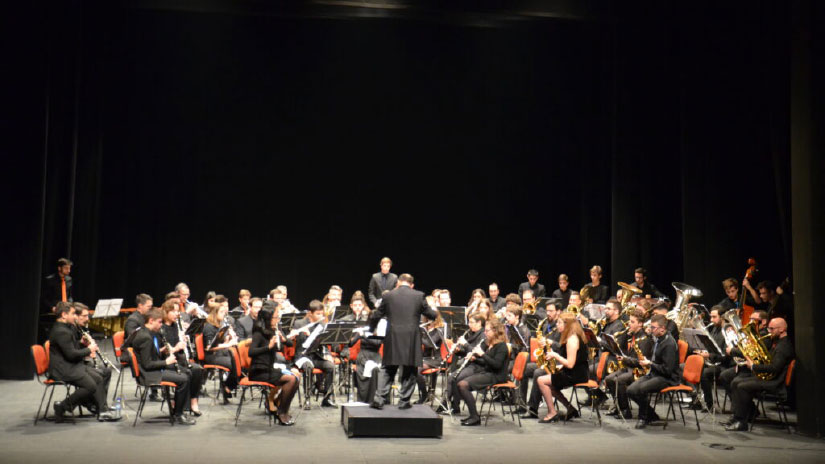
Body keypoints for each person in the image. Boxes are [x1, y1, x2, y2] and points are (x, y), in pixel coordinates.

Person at [369, 273, 438, 410]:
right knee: (410, 368)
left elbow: (376, 314)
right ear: (412, 285)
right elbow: (431, 315)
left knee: (388, 368)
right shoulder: (419, 296)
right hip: (411, 338)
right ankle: (403, 401)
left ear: (398, 283)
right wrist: (434, 311)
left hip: (393, 336)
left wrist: (371, 329)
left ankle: (379, 399)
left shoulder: (388, 296)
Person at [49, 302, 118, 422]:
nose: (75, 316)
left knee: (99, 377)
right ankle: (63, 405)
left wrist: (81, 343)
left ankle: (102, 410)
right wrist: (88, 350)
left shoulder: (66, 328)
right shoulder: (61, 332)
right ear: (64, 315)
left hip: (70, 365)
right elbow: (71, 354)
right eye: (73, 314)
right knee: (91, 385)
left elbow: (71, 348)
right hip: (63, 368)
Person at [724, 317, 794, 431]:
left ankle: (741, 422)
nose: (769, 331)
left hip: (775, 382)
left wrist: (753, 366)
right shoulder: (777, 343)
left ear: (781, 329)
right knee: (736, 382)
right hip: (769, 378)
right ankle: (737, 417)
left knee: (742, 386)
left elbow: (774, 368)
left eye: (771, 329)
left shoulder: (784, 347)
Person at [131, 308, 196, 425]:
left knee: (187, 372)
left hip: (154, 369)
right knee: (184, 379)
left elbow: (151, 355)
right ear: (151, 321)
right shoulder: (145, 337)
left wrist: (162, 350)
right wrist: (167, 362)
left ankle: (179, 408)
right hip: (149, 374)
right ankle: (178, 414)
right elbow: (147, 364)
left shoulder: (150, 333)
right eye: (160, 322)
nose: (161, 325)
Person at [533, 312, 590, 423]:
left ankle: (552, 413)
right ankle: (570, 409)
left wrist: (555, 355)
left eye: (559, 323)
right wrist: (560, 366)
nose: (557, 325)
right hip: (576, 371)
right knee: (551, 385)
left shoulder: (572, 340)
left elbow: (570, 364)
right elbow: (574, 360)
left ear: (567, 324)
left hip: (576, 374)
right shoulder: (572, 336)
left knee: (541, 380)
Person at [452, 318, 510, 426]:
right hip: (488, 372)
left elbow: (497, 365)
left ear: (495, 331)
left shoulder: (501, 346)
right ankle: (473, 415)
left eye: (487, 331)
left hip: (497, 376)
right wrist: (475, 359)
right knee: (460, 382)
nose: (485, 332)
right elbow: (486, 362)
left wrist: (481, 354)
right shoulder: (491, 344)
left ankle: (474, 417)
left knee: (463, 385)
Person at [248, 307, 300, 425]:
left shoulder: (275, 329)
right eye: (275, 317)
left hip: (269, 368)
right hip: (259, 370)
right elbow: (251, 352)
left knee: (297, 377)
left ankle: (281, 407)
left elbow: (290, 343)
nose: (278, 319)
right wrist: (269, 347)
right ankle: (281, 413)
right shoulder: (258, 332)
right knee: (291, 379)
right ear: (267, 318)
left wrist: (284, 339)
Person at [627, 314, 680, 428]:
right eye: (651, 327)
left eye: (653, 328)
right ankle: (651, 415)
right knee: (631, 390)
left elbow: (667, 370)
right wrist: (648, 362)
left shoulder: (669, 344)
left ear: (662, 329)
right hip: (655, 373)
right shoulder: (658, 339)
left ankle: (643, 418)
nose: (650, 330)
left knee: (641, 389)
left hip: (667, 378)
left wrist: (650, 364)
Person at [604, 309, 653, 419]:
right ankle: (619, 407)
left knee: (619, 380)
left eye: (632, 322)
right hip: (629, 367)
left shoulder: (644, 339)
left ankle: (626, 411)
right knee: (609, 378)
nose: (629, 324)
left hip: (639, 371)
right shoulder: (632, 335)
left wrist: (624, 359)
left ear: (640, 324)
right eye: (629, 321)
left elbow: (640, 362)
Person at [160, 299, 203, 416]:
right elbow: (162, 351)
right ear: (166, 312)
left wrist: (183, 339)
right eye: (173, 311)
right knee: (187, 373)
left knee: (197, 369)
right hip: (168, 362)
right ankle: (179, 405)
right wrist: (176, 348)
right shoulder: (162, 328)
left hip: (180, 359)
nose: (177, 314)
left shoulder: (175, 325)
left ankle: (193, 402)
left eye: (178, 311)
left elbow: (178, 344)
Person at [441, 314, 487, 415]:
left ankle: (451, 406)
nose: (469, 325)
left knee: (454, 378)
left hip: (478, 366)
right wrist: (458, 351)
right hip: (470, 363)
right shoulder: (472, 333)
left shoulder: (483, 335)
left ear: (479, 323)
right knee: (452, 377)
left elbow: (476, 352)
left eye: (471, 322)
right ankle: (450, 405)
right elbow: (467, 352)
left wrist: (465, 344)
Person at [293, 300, 336, 407]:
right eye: (318, 314)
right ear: (310, 313)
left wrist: (328, 355)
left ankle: (327, 397)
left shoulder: (322, 324)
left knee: (330, 367)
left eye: (322, 313)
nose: (320, 316)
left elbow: (324, 343)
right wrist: (304, 334)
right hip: (302, 356)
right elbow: (298, 343)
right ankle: (307, 398)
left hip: (315, 355)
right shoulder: (299, 323)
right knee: (308, 367)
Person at [73, 302, 114, 414]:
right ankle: (94, 404)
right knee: (98, 375)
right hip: (75, 365)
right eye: (84, 316)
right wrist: (87, 352)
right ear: (75, 316)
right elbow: (71, 351)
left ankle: (100, 403)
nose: (87, 319)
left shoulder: (81, 329)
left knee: (107, 371)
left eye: (88, 315)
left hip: (81, 362)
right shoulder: (72, 330)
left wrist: (87, 348)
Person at [694, 306, 732, 412]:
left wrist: (708, 356)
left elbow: (726, 356)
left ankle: (708, 404)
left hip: (724, 365)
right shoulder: (715, 328)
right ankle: (696, 399)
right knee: (687, 367)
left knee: (704, 374)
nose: (711, 320)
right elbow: (712, 347)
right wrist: (703, 351)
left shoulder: (728, 331)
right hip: (714, 361)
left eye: (714, 317)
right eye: (711, 317)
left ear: (723, 317)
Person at [202, 301, 239, 403]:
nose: (224, 314)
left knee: (241, 361)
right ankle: (228, 387)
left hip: (220, 353)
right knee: (235, 363)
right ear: (215, 313)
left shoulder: (220, 325)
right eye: (222, 312)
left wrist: (229, 338)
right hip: (211, 356)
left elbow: (220, 342)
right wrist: (227, 344)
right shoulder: (209, 327)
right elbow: (209, 347)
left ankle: (228, 386)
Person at [40, 258, 74, 343]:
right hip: (53, 310)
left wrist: (71, 304)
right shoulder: (49, 280)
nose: (69, 270)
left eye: (69, 268)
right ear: (59, 268)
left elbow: (69, 296)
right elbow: (44, 298)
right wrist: (52, 308)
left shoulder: (69, 279)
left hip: (65, 308)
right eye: (66, 268)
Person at [416, 310, 445, 403]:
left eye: (431, 317)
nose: (429, 319)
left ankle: (425, 395)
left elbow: (429, 344)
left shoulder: (439, 330)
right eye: (427, 317)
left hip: (435, 359)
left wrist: (420, 334)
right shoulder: (424, 328)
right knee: (411, 367)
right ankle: (424, 393)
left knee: (417, 370)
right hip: (424, 358)